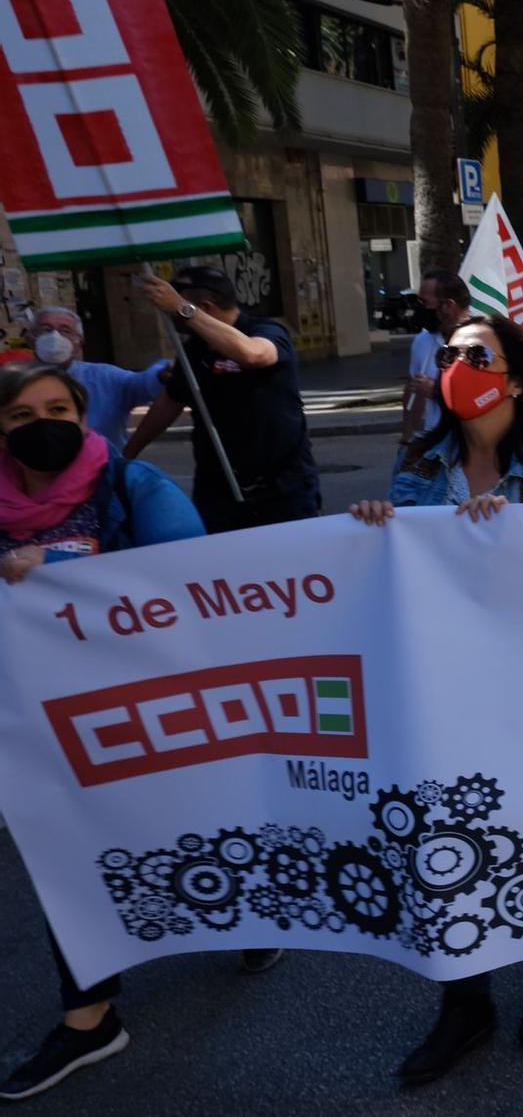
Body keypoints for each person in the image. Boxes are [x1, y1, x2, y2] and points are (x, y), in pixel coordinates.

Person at [0, 363, 265, 1103]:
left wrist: (51, 570)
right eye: (21, 416)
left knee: (193, 824)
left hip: (153, 704)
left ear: (84, 418)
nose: (41, 423)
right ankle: (89, 1020)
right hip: (43, 718)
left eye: (57, 408)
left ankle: (245, 911)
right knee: (66, 848)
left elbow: (185, 582)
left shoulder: (132, 488)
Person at [348, 314, 523, 1086]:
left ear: (515, 377)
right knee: (447, 839)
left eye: (475, 354)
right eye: (450, 353)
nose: (456, 363)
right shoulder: (421, 465)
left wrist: (520, 534)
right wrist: (377, 532)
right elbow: (401, 575)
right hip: (445, 686)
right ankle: (465, 1003)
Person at [126, 266, 319, 532]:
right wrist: (127, 454)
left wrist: (182, 307)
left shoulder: (267, 331)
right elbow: (170, 402)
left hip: (281, 487)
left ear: (204, 307)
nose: (173, 321)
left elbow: (253, 354)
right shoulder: (194, 350)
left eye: (174, 314)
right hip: (218, 488)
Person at [24, 306, 169, 445]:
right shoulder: (15, 381)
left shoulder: (105, 377)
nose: (55, 337)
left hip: (101, 467)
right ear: (30, 340)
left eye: (65, 331)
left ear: (79, 343)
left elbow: (140, 384)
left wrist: (161, 374)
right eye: (46, 330)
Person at [401, 271, 472, 451]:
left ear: (448, 305)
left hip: (467, 447)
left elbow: (482, 396)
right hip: (432, 444)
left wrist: (437, 390)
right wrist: (407, 438)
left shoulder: (480, 342)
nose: (420, 309)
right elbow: (413, 392)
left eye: (425, 303)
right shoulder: (422, 341)